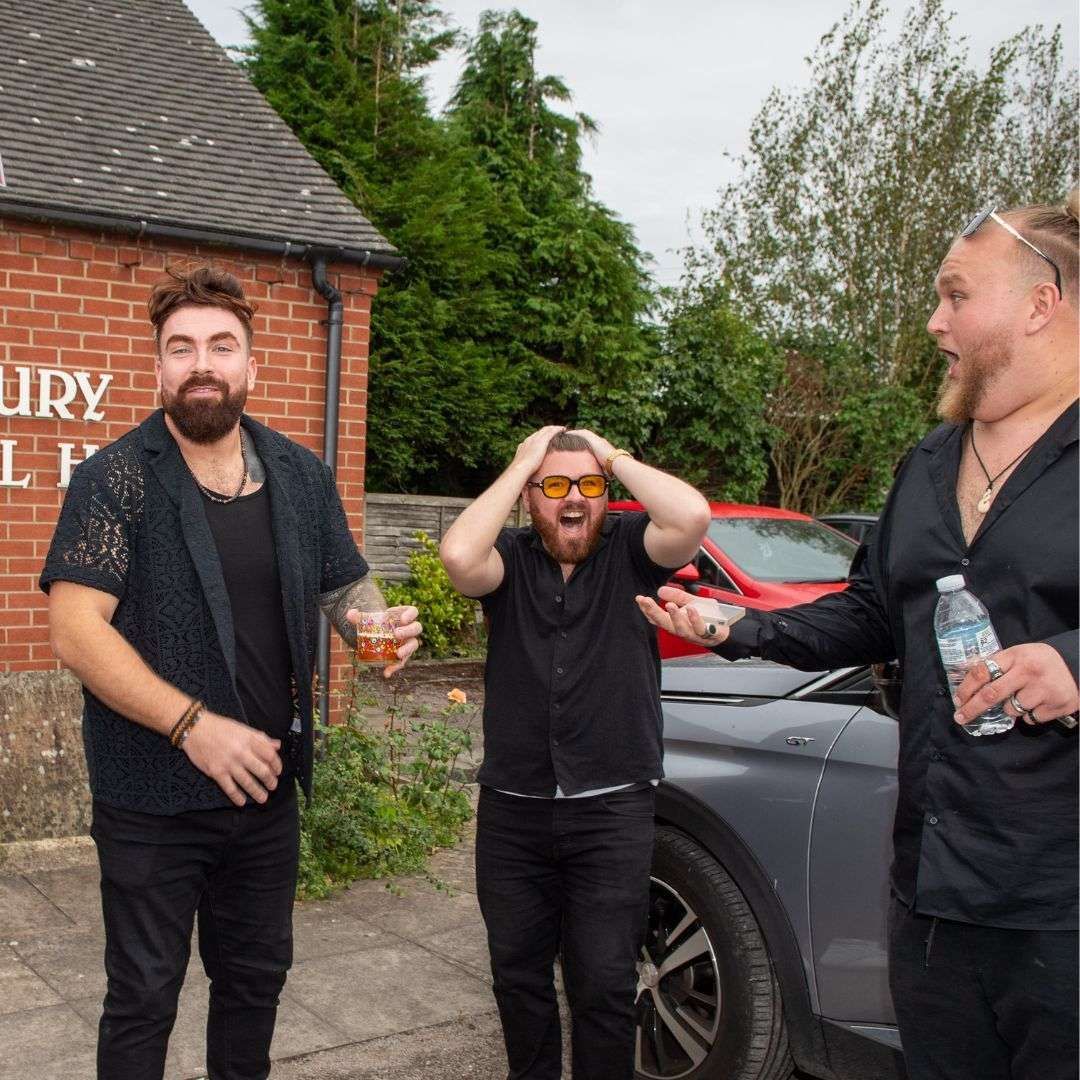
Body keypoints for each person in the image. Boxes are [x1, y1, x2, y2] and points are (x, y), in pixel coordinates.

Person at [638, 191, 1079, 1080]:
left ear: (1041, 303)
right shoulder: (929, 463)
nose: (933, 321)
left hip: (1065, 906)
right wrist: (735, 625)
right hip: (932, 896)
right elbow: (873, 612)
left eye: (956, 295)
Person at [40, 266, 422, 1080]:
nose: (201, 363)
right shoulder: (115, 480)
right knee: (143, 997)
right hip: (150, 797)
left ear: (253, 366)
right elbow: (75, 632)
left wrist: (382, 636)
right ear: (159, 368)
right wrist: (193, 726)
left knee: (254, 988)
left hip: (264, 793)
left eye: (221, 345)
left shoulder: (300, 477)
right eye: (181, 348)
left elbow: (346, 587)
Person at [440, 427, 709, 1080]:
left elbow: (692, 515)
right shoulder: (509, 559)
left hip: (611, 810)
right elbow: (456, 555)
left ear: (606, 493)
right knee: (518, 978)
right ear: (532, 497)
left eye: (589, 487)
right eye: (555, 487)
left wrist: (610, 454)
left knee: (604, 985)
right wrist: (521, 463)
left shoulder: (634, 551)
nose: (573, 500)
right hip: (514, 813)